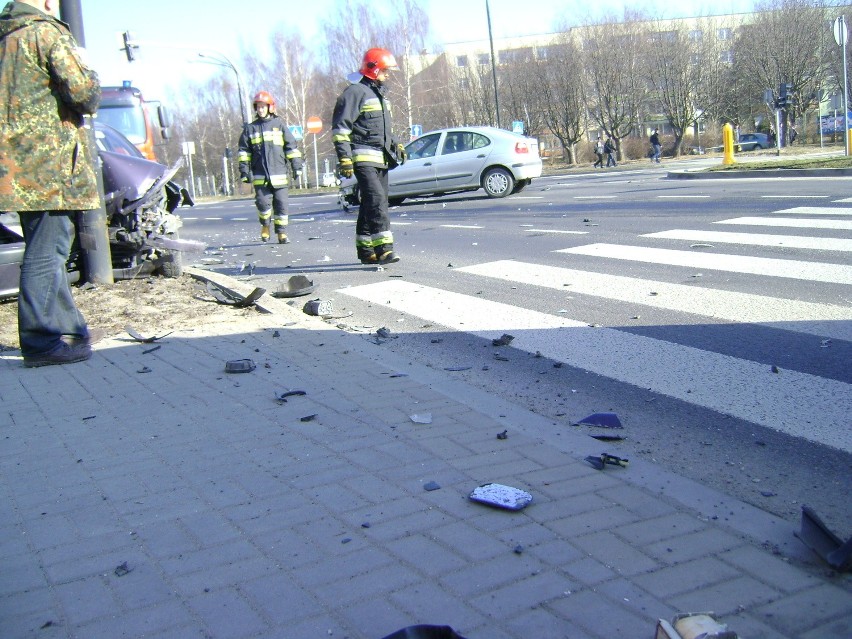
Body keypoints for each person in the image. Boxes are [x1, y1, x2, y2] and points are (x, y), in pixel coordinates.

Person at [0, 0, 101, 367]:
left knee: (48, 246)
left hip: (18, 167)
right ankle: (41, 340)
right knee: (49, 250)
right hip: (46, 166)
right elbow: (84, 94)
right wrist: (87, 68)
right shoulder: (45, 32)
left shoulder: (6, 37)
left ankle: (70, 329)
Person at [332, 47, 406, 265]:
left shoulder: (379, 95)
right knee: (376, 201)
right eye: (385, 70)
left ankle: (366, 251)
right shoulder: (354, 93)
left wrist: (395, 145)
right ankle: (384, 249)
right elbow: (340, 129)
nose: (388, 75)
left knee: (369, 204)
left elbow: (383, 129)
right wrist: (345, 158)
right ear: (373, 69)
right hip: (363, 158)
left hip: (380, 158)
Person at [238, 91, 303, 244]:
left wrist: (296, 165)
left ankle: (282, 233)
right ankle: (265, 226)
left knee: (281, 205)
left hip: (279, 174)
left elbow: (291, 147)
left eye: (263, 107)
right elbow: (244, 152)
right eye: (258, 107)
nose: (260, 110)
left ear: (270, 107)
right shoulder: (250, 129)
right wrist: (244, 171)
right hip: (260, 175)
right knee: (262, 204)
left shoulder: (279, 125)